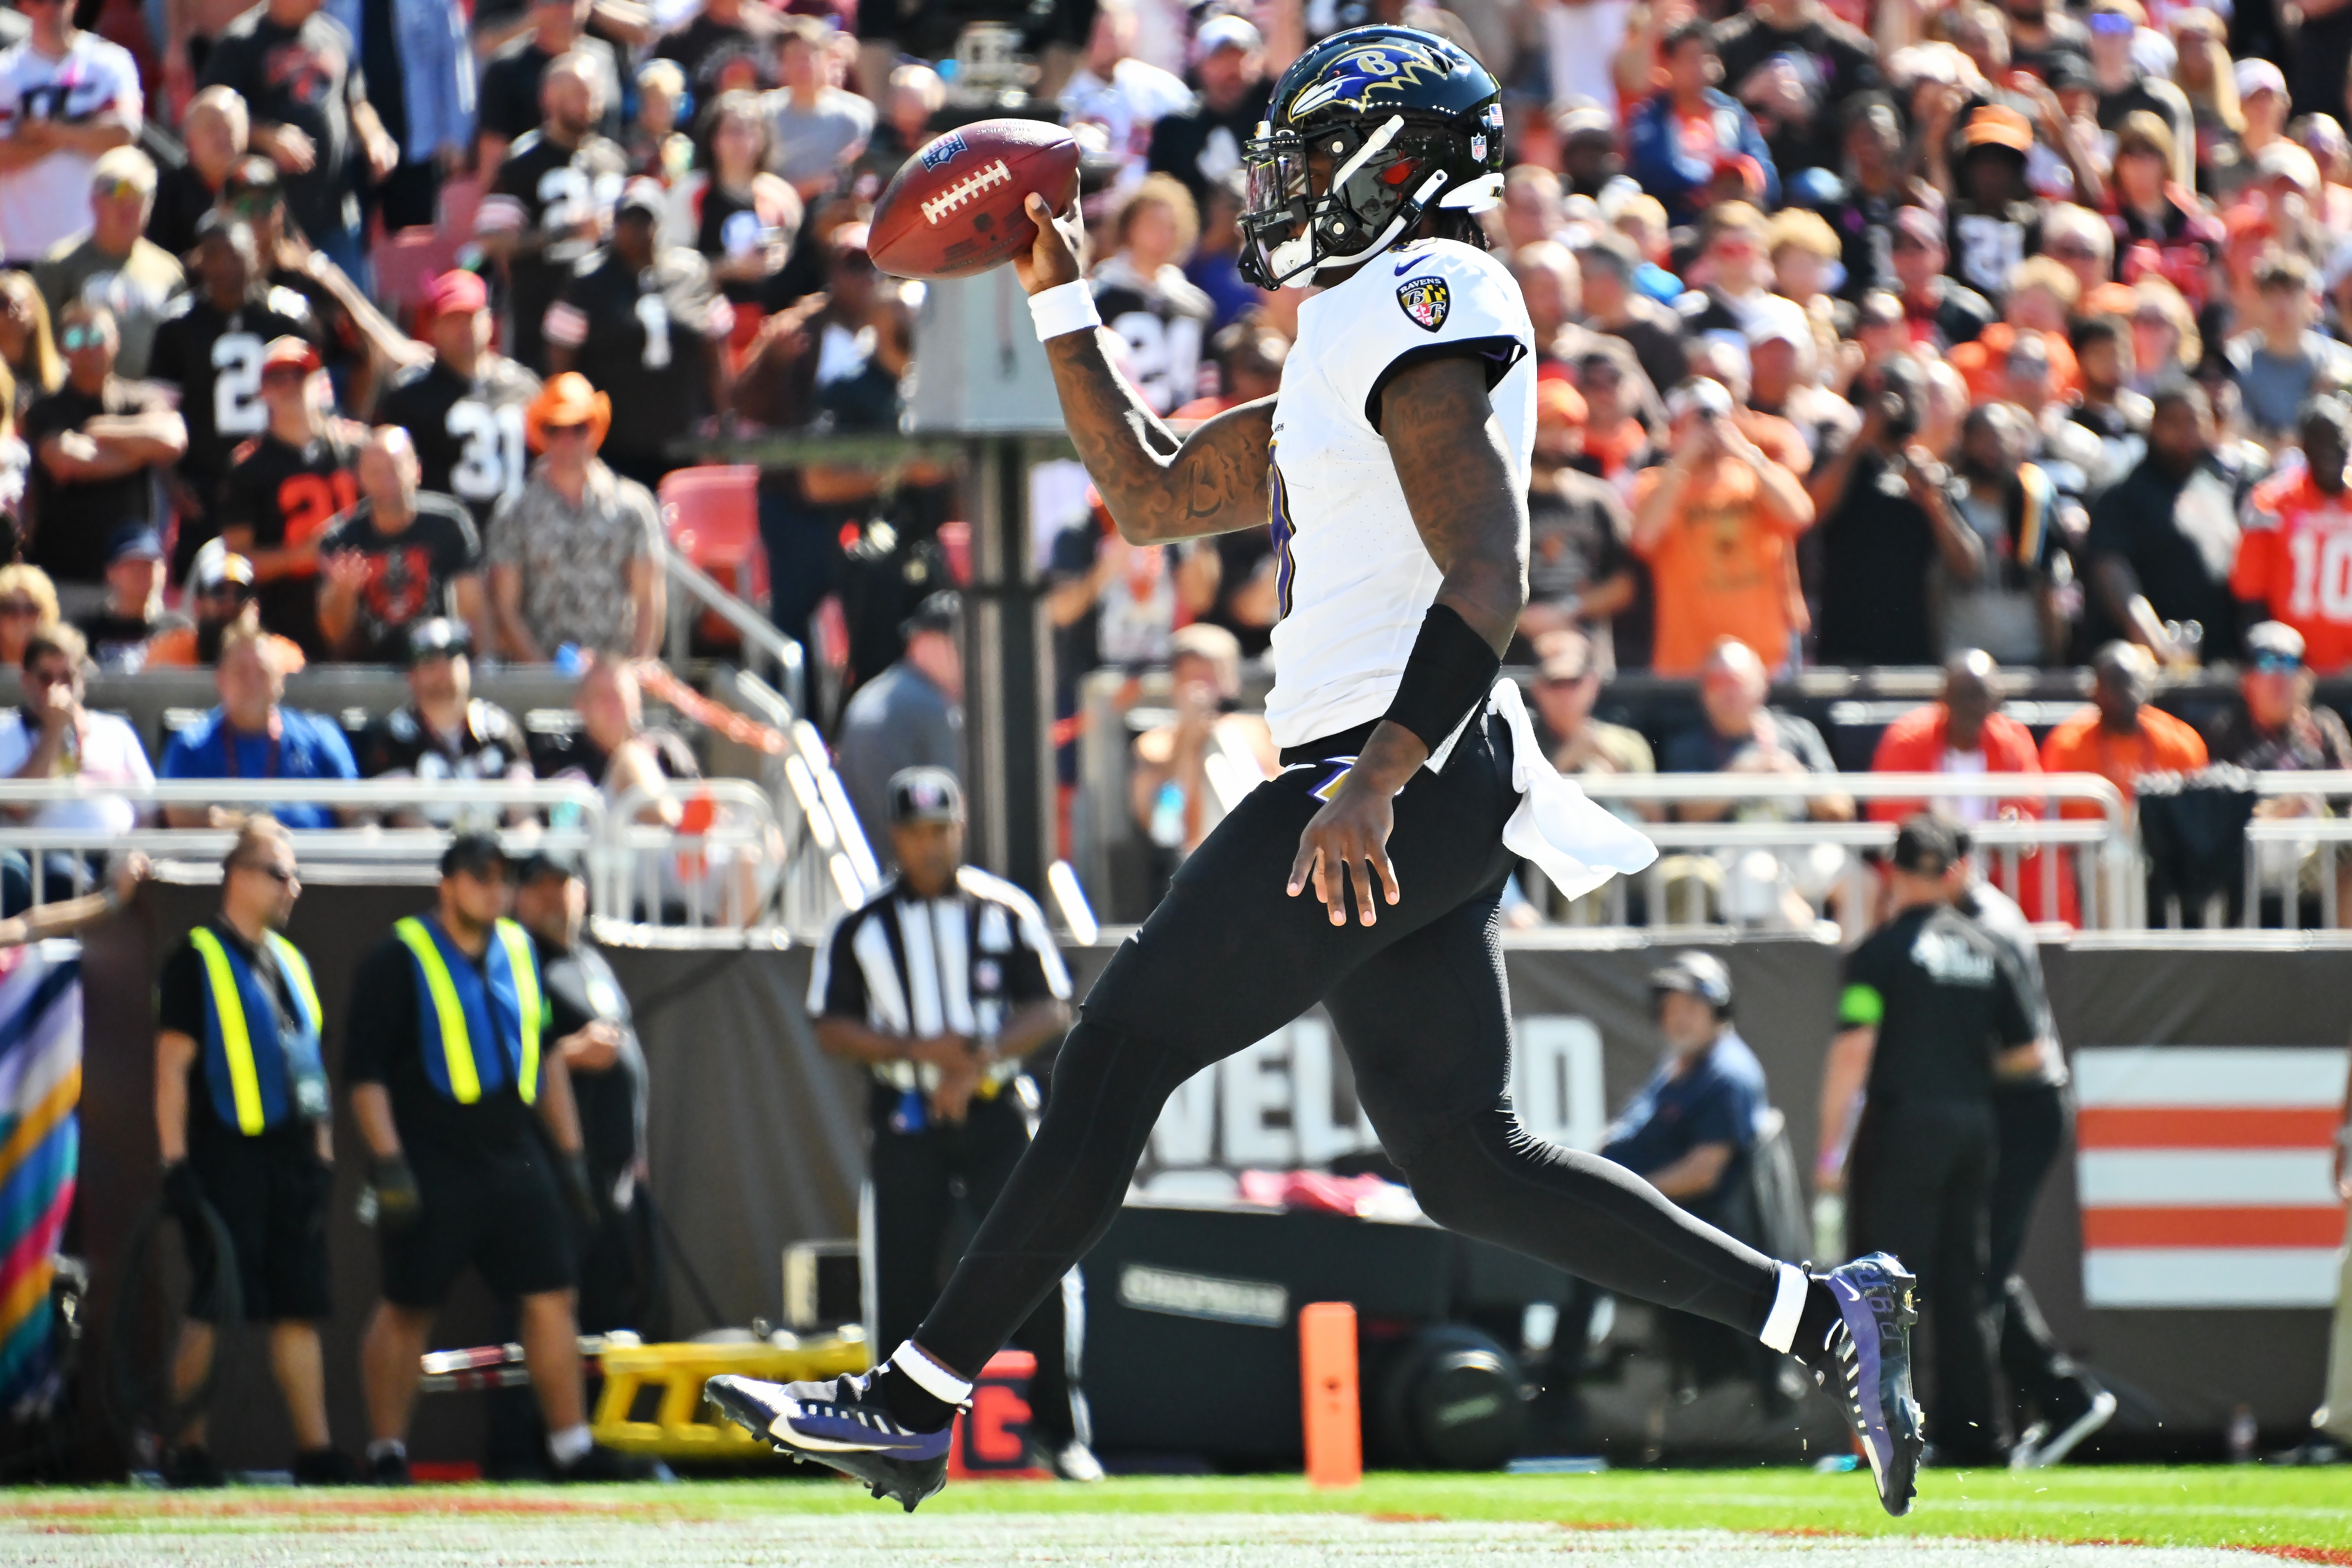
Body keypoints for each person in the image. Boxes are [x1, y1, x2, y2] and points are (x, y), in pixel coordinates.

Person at [705, 26, 1924, 1520]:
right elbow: (1151, 494)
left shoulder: (1425, 297)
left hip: (1392, 762)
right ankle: (1824, 1310)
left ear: (1391, 167)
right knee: (1465, 1161)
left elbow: (1490, 566)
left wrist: (1377, 775)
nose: (1274, 188)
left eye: (1302, 159)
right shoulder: (1345, 330)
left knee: (1120, 1046)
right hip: (1405, 769)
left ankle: (912, 1398)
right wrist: (1057, 287)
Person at [808, 768, 1096, 1479]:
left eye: (942, 831)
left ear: (960, 830)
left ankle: (1061, 1433)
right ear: (895, 838)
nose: (931, 846)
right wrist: (917, 1053)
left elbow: (1052, 1004)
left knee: (1041, 1266)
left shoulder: (1005, 910)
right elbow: (830, 1024)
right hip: (907, 1117)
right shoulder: (862, 924)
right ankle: (890, 1438)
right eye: (917, 833)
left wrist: (979, 1060)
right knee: (900, 1281)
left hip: (996, 1110)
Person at [345, 833, 643, 1484]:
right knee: (406, 1302)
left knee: (551, 1294)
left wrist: (568, 1158)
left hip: (513, 1152)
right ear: (446, 883)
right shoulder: (399, 955)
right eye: (478, 875)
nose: (492, 887)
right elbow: (364, 1075)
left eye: (501, 877)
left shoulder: (516, 949)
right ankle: (386, 1450)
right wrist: (390, 1161)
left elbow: (543, 1063)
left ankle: (570, 1445)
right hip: (430, 1152)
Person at [1819, 813, 2040, 1468]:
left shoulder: (1877, 955)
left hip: (1905, 1128)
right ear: (1950, 874)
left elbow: (1854, 1052)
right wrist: (1964, 1072)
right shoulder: (1987, 948)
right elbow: (2027, 1054)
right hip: (1975, 1125)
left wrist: (1830, 1154)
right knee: (1963, 1284)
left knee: (1885, 1288)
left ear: (1891, 874)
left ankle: (1888, 1435)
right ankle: (1979, 1433)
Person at [152, 818, 352, 1488]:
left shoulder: (292, 961)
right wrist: (176, 1163)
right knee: (216, 1299)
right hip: (223, 1154)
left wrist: (322, 1157)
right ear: (238, 876)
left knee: (297, 1303)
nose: (292, 888)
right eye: (279, 873)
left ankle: (315, 1450)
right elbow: (172, 1067)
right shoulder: (197, 957)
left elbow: (311, 1068)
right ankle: (188, 1445)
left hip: (290, 1160)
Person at [1955, 835, 2117, 1469]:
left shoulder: (1984, 926)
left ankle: (2064, 1395)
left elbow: (2021, 1047)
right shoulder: (1988, 918)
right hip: (2017, 1103)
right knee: (1981, 1263)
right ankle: (2060, 1395)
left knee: (1982, 1267)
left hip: (2021, 1102)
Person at [511, 849, 651, 1334]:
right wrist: (571, 1052)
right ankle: (531, 1413)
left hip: (614, 1172)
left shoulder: (591, 960)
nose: (554, 898)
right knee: (546, 1304)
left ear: (583, 892)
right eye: (539, 887)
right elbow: (505, 1058)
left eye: (563, 885)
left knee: (612, 1307)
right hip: (555, 1171)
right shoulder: (514, 960)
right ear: (519, 898)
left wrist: (637, 1151)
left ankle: (601, 1413)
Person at [145, 217, 319, 573]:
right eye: (213, 256)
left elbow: (318, 399)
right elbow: (159, 414)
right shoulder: (177, 326)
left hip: (279, 474)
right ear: (198, 261)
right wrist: (173, 482)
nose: (225, 266)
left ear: (255, 256)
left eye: (234, 255)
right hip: (205, 482)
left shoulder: (287, 317)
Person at [543, 178, 733, 492]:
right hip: (615, 443)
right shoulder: (587, 280)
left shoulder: (692, 273)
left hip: (683, 434)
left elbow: (716, 353)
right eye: (628, 220)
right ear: (614, 224)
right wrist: (574, 430)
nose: (637, 229)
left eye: (645, 219)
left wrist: (726, 419)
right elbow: (560, 364)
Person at [197, 0, 401, 284]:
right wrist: (269, 136)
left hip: (335, 212)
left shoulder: (334, 35)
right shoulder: (240, 43)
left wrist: (376, 138)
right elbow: (208, 118)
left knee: (347, 314)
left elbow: (356, 101)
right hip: (270, 222)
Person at [1630, 378, 1816, 677]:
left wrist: (1746, 453)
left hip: (1763, 659)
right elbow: (1644, 539)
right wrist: (1682, 462)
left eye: (1717, 418)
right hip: (1687, 662)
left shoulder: (1757, 477)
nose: (1709, 429)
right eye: (1697, 420)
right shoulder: (1654, 484)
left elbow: (1801, 515)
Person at [1808, 358, 1980, 668]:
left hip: (1912, 647)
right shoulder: (1845, 462)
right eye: (1890, 393)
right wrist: (1861, 438)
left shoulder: (1931, 475)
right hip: (1845, 645)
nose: (1900, 403)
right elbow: (1814, 513)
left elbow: (1968, 568)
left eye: (1912, 392)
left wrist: (1932, 503)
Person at [485, 372, 665, 661]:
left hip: (615, 680)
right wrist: (546, 677)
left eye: (579, 427)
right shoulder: (513, 514)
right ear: (540, 434)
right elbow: (505, 609)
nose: (567, 440)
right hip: (541, 685)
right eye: (555, 429)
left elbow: (648, 599)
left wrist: (638, 671)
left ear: (596, 430)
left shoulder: (634, 507)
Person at [476, 52, 628, 377]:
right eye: (577, 94)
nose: (588, 103)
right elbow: (493, 241)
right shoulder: (522, 162)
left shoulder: (612, 159)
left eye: (593, 94)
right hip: (542, 313)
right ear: (548, 98)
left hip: (608, 315)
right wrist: (565, 232)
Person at [22, 301, 186, 596]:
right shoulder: (46, 408)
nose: (88, 348)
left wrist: (101, 429)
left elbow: (171, 439)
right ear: (61, 348)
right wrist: (140, 450)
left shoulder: (139, 399)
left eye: (98, 337)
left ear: (116, 341)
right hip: (65, 574)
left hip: (133, 573)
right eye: (75, 338)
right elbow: (68, 462)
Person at [2082, 383, 2248, 665]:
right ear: (2154, 427)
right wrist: (2158, 646)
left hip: (2221, 662)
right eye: (2174, 423)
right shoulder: (2123, 495)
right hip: (2153, 667)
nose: (2187, 433)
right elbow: (2114, 579)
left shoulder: (2222, 486)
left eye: (2195, 421)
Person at [217, 336, 362, 657]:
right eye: (277, 378)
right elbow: (237, 562)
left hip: (363, 607)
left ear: (319, 382)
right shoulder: (247, 468)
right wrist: (300, 556)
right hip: (287, 618)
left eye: (300, 375)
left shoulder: (358, 448)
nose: (290, 386)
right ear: (262, 391)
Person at [373, 271, 543, 540]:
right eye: (452, 318)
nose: (464, 328)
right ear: (432, 327)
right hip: (449, 545)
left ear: (490, 321)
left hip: (521, 539)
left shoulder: (525, 387)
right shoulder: (409, 397)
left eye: (471, 317)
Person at [0, 624, 154, 905]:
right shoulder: (6, 732)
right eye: (46, 678)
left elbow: (149, 810)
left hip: (113, 856)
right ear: (26, 681)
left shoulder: (116, 731)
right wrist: (54, 730)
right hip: (41, 859)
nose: (58, 689)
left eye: (67, 677)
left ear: (82, 680)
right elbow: (18, 805)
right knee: (62, 876)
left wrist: (135, 851)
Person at [158, 624, 357, 829]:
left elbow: (355, 813)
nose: (252, 685)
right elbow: (180, 817)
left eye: (262, 673)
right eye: (242, 673)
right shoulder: (192, 744)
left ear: (280, 681)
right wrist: (255, 829)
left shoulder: (320, 736)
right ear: (221, 679)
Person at [316, 426, 488, 663]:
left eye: (394, 469)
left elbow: (473, 608)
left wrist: (484, 665)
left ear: (416, 471)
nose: (386, 482)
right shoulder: (341, 539)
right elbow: (335, 637)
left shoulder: (449, 524)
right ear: (359, 479)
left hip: (437, 663)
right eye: (375, 472)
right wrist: (343, 591)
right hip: (371, 673)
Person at [355, 618, 534, 828]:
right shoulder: (394, 737)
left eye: (452, 653)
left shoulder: (500, 729)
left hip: (497, 852)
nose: (442, 667)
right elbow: (406, 819)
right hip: (424, 855)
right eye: (429, 658)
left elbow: (523, 814)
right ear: (411, 675)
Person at [0, 0, 140, 269]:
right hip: (23, 248)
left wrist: (48, 133)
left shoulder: (110, 62)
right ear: (23, 6)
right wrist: (83, 131)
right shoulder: (6, 73)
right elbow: (3, 153)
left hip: (93, 245)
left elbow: (123, 133)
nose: (51, 8)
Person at [1128, 621, 1278, 870]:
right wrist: (1188, 743)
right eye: (1194, 679)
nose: (1204, 690)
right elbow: (1165, 826)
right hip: (1197, 867)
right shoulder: (1154, 746)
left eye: (1213, 677)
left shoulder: (1261, 734)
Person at [34, 146, 183, 382]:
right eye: (116, 190)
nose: (127, 204)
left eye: (139, 194)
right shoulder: (59, 265)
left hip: (150, 402)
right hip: (81, 401)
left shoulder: (169, 272)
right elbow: (41, 344)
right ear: (93, 200)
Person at [834, 591, 961, 858]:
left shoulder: (879, 690)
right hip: (902, 871)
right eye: (958, 645)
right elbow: (958, 808)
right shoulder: (927, 706)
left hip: (860, 862)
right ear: (924, 642)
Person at [2233, 397, 2352, 674]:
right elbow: (2249, 597)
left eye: (2337, 440)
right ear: (2303, 447)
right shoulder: (2270, 503)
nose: (2329, 452)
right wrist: (2272, 662)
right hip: (2288, 671)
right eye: (2318, 441)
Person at [1624, 21, 1780, 226]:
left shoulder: (1733, 112)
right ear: (1668, 65)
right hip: (1680, 220)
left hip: (1738, 216)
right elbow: (1656, 171)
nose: (1699, 65)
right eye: (1689, 58)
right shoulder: (1650, 118)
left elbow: (1763, 168)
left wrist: (1744, 185)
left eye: (1706, 56)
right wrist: (1711, 188)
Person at [1090, 174, 1213, 418]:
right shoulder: (1100, 298)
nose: (1162, 235)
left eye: (1170, 226)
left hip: (1184, 432)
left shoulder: (1194, 305)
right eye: (1152, 224)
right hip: (1123, 427)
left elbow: (1207, 378)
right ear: (1129, 227)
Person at [2039, 641, 2209, 813]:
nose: (2125, 693)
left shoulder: (2182, 745)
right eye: (2114, 683)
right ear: (2095, 691)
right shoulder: (2066, 747)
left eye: (2130, 683)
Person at [1143, 15, 1271, 215]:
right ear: (1200, 64)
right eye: (1220, 58)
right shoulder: (1174, 129)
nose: (1232, 69)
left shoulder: (1273, 121)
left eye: (1241, 57)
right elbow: (1159, 195)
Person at [475, 0, 623, 169]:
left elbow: (613, 129)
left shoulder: (603, 58)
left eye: (572, 2)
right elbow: (493, 146)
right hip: (532, 183)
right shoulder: (507, 67)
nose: (565, 9)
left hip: (599, 178)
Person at [765, 15, 873, 202]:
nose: (803, 66)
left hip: (835, 213)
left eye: (809, 57)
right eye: (794, 58)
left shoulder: (857, 116)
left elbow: (862, 176)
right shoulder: (763, 114)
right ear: (781, 65)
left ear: (827, 60)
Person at [146, 549, 304, 671]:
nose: (230, 603)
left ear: (255, 606)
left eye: (241, 594)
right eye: (219, 592)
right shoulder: (168, 653)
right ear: (199, 604)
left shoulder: (280, 658)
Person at [146, 87, 247, 263]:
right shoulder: (166, 191)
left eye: (230, 127)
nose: (223, 137)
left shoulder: (256, 184)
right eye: (212, 128)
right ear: (189, 138)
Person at [75, 523, 182, 670]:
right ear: (110, 573)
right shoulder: (85, 632)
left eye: (148, 565)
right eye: (131, 566)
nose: (141, 574)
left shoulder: (178, 631)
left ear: (164, 572)